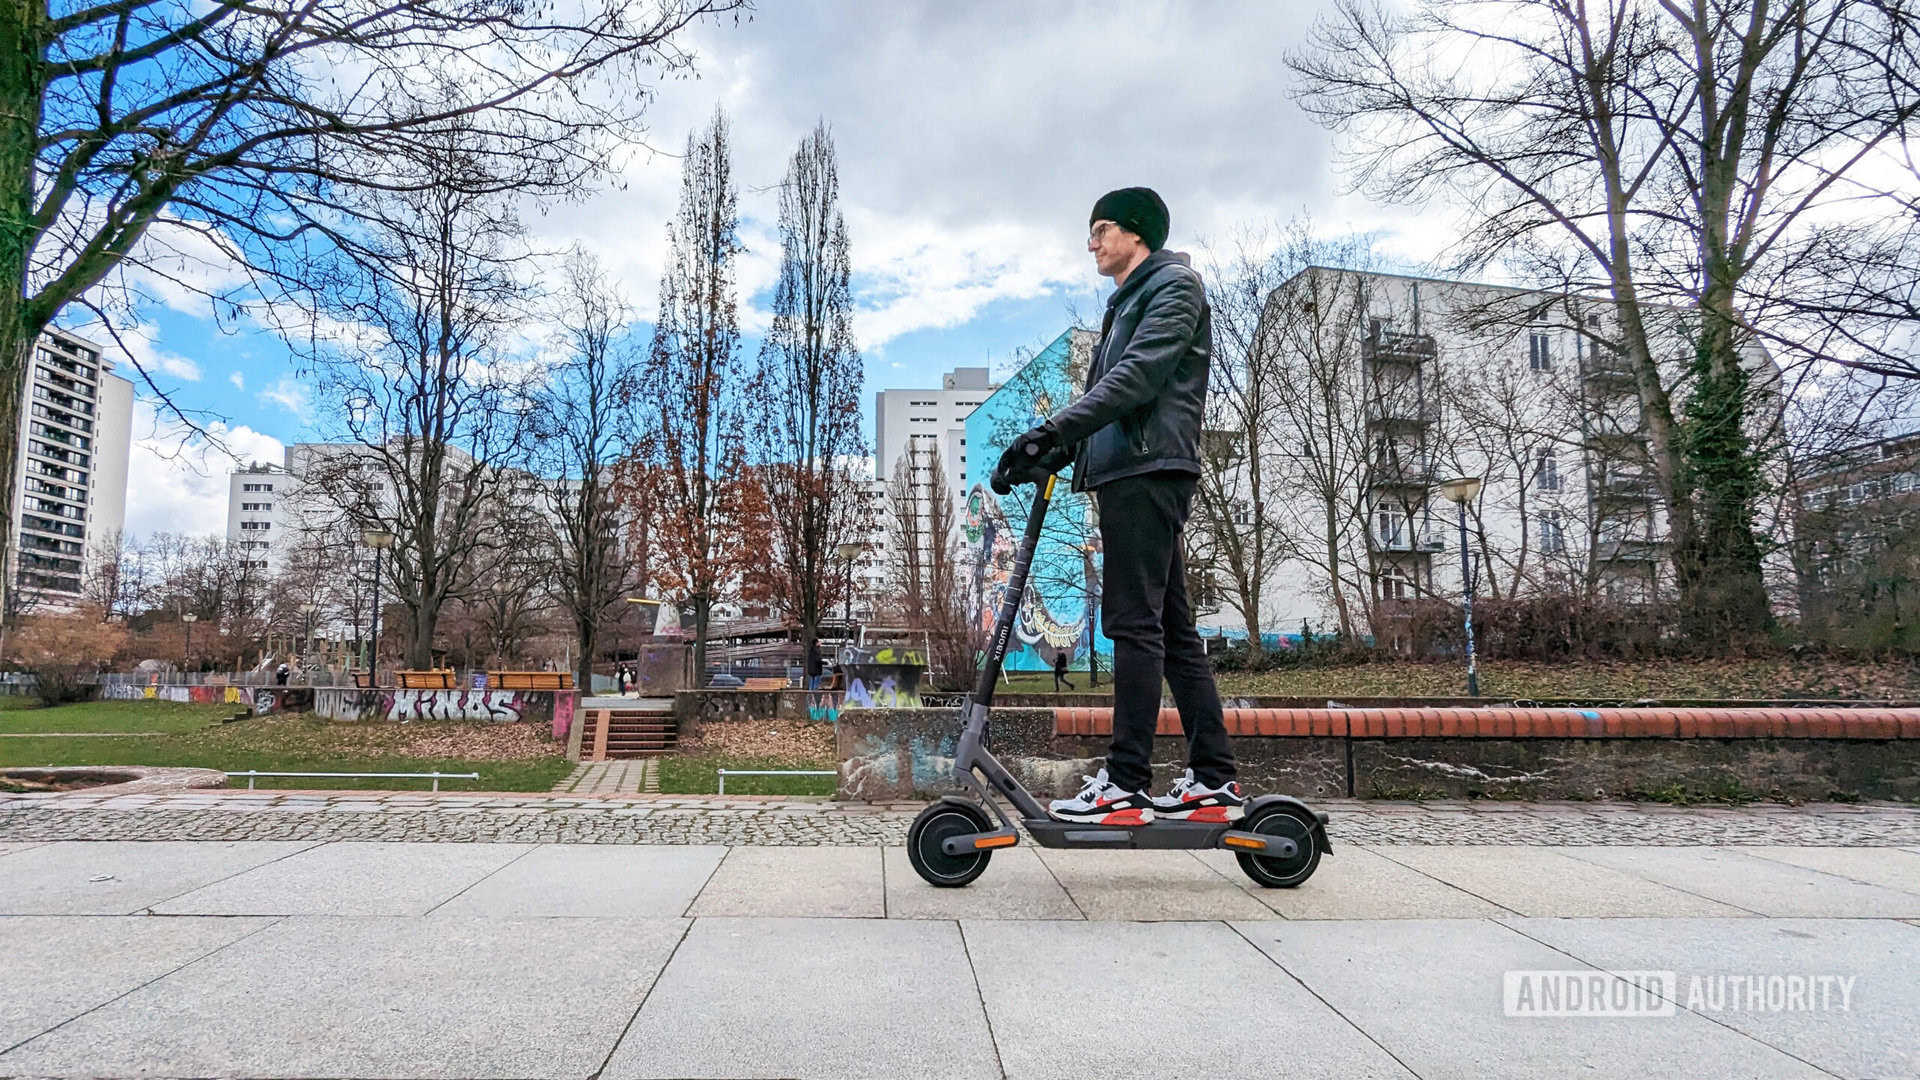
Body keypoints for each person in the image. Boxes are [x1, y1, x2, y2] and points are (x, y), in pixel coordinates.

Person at [993, 187, 1243, 826]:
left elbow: (1135, 380)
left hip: (1147, 469)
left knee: (1133, 624)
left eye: (1101, 228)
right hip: (1130, 471)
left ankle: (1126, 783)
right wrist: (1058, 451)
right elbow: (1112, 390)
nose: (1092, 241)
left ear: (1137, 234)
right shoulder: (1129, 301)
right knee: (1175, 630)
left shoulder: (1173, 288)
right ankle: (1212, 779)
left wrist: (1056, 432)